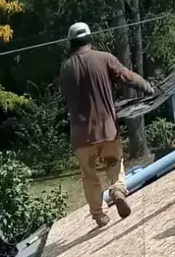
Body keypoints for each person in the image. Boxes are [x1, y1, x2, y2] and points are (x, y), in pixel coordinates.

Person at [58, 21, 154, 229]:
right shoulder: (104, 58)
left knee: (89, 176)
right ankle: (118, 190)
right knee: (115, 162)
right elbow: (126, 76)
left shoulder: (66, 68)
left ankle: (100, 216)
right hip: (107, 129)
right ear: (89, 38)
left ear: (71, 43)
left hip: (81, 136)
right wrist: (146, 86)